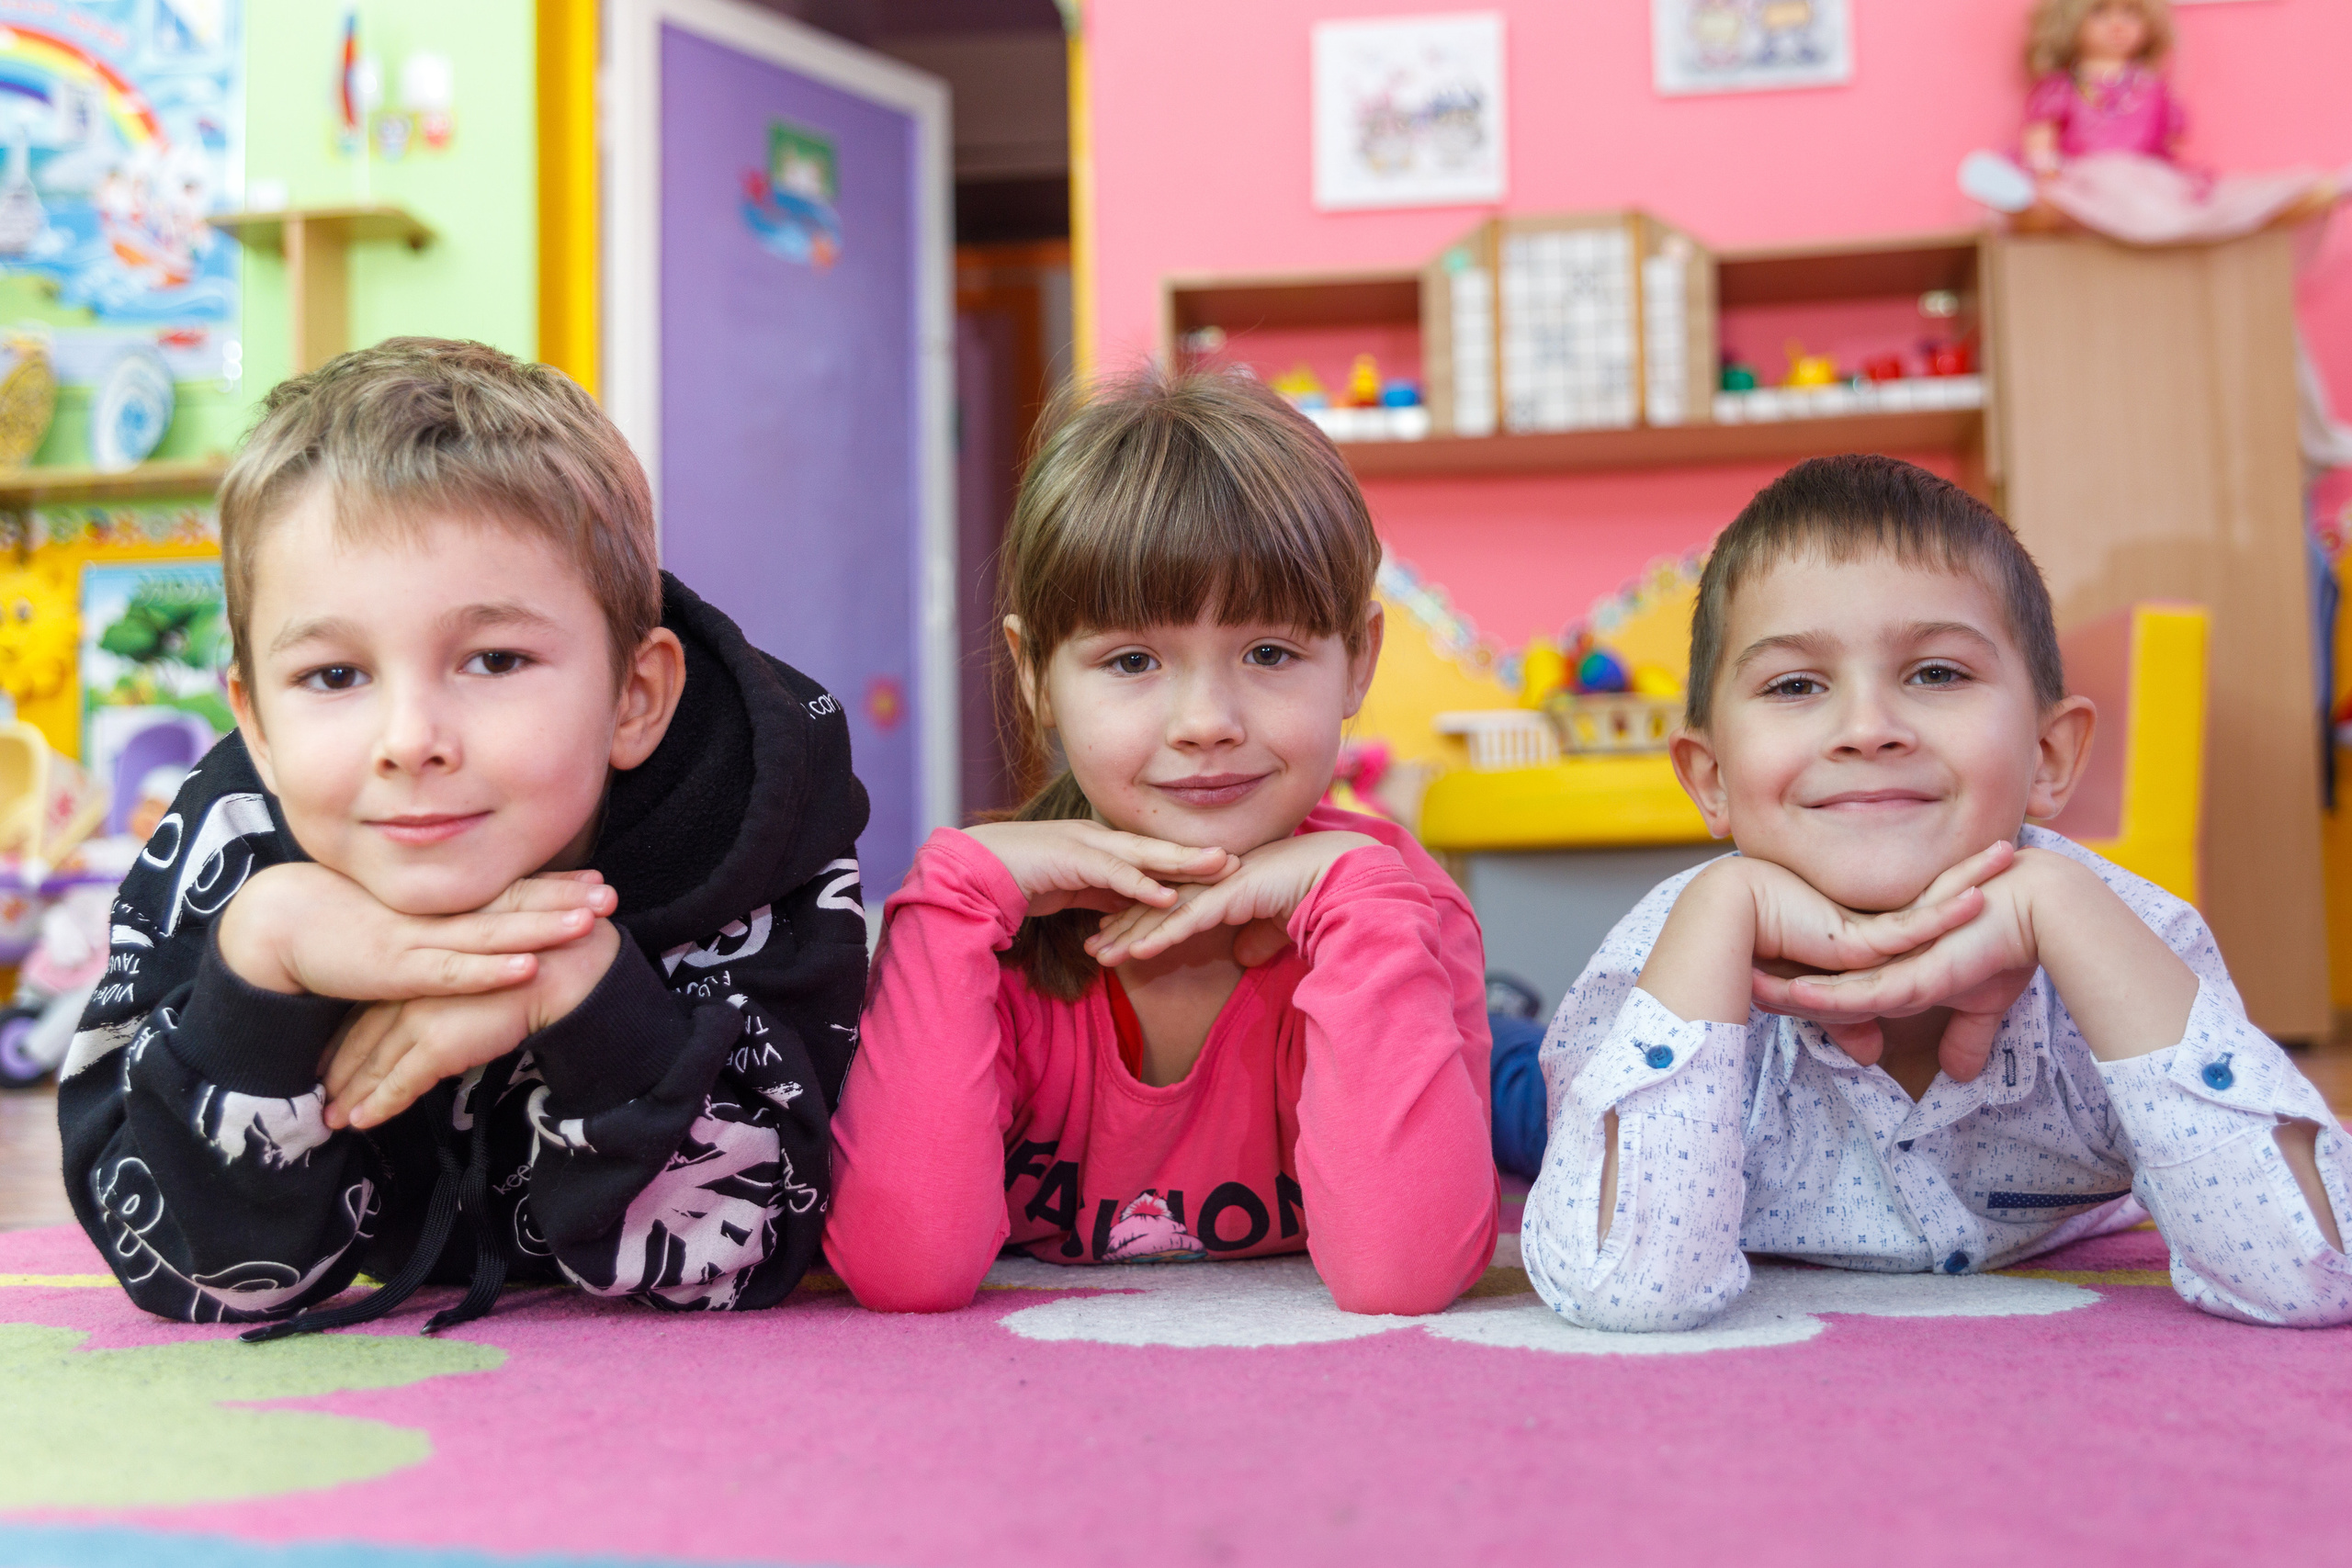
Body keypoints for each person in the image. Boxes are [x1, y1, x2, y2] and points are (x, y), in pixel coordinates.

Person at [59, 338, 870, 1336]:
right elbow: (195, 1272)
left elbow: (739, 1259)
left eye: (493, 659)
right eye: (334, 677)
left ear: (634, 695)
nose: (410, 742)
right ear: (258, 725)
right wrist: (258, 969)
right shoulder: (232, 836)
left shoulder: (752, 810)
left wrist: (579, 991)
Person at [1521, 455, 2352, 1332]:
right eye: (1796, 684)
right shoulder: (1661, 959)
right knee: (1503, 1101)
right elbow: (1626, 1287)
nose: (1869, 729)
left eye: (1937, 674)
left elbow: (2316, 1272)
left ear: (2051, 755)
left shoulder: (2125, 935)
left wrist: (2058, 907)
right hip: (1582, 1074)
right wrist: (1722, 908)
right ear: (1712, 778)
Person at [826, 368, 1497, 1314]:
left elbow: (1406, 1273)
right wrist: (946, 900)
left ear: (1359, 663)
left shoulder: (1395, 905)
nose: (1206, 721)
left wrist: (1360, 898)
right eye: (1132, 661)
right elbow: (906, 1271)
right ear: (1034, 674)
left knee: (1529, 1095)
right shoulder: (982, 920)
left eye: (1270, 653)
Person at [1956, 0, 2343, 245]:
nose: (2117, 24)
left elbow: (2165, 147)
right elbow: (2041, 140)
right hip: (2084, 182)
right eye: (2101, 12)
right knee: (2058, 212)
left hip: (2146, 183)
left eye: (2130, 12)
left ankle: (2317, 190)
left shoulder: (2153, 88)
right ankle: (2017, 200)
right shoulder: (2061, 88)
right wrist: (2043, 169)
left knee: (2221, 204)